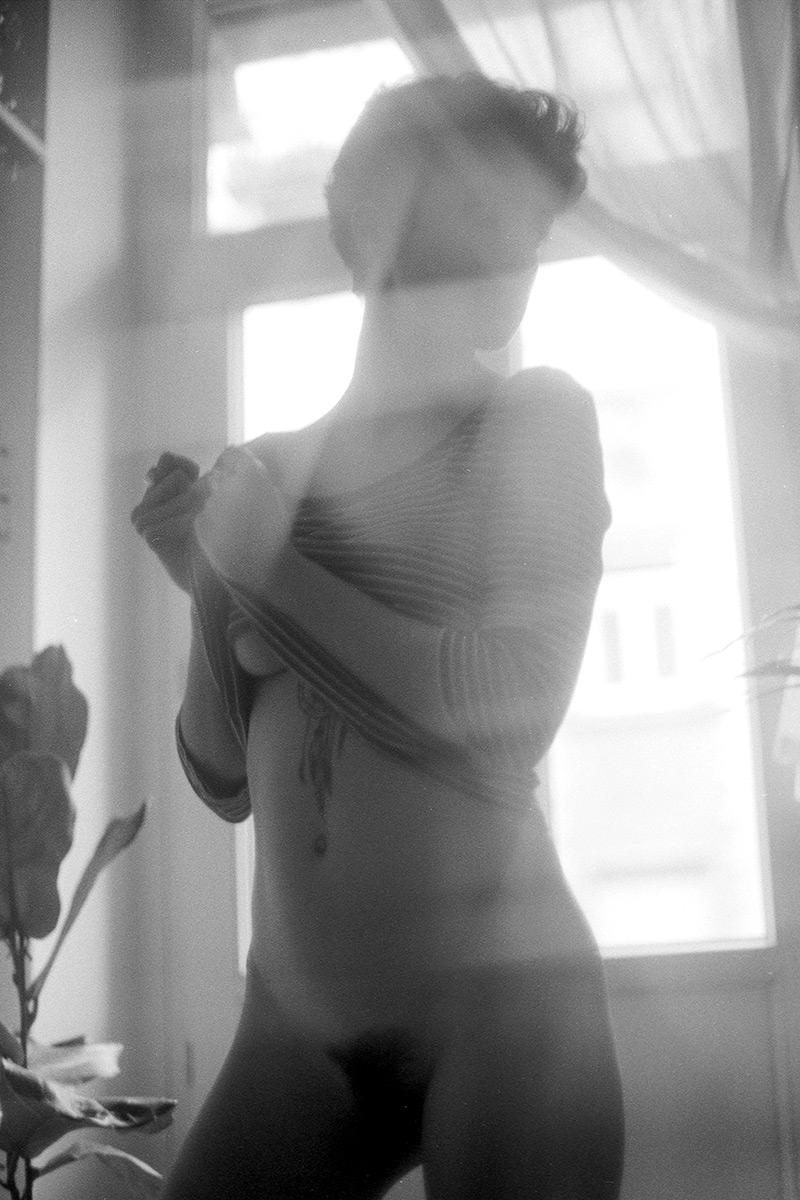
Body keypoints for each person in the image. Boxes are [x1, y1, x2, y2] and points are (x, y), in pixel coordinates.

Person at [132, 73, 624, 1200]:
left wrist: (268, 575)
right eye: (489, 210)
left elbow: (509, 709)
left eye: (532, 233)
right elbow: (221, 777)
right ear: (385, 206)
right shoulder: (269, 469)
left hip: (502, 1003)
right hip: (291, 1033)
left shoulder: (535, 417)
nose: (517, 258)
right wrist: (208, 586)